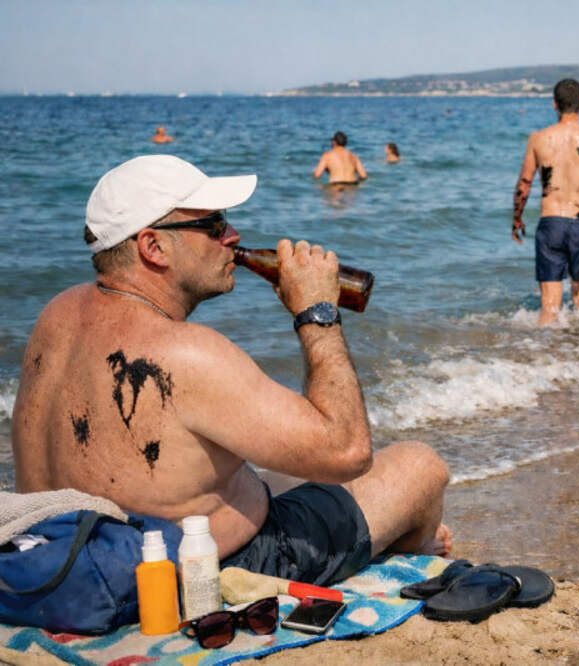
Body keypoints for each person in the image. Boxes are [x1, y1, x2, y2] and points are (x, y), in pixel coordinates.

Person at [12, 155, 450, 586]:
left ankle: (392, 534)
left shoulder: (58, 314)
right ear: (153, 246)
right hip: (201, 571)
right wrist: (317, 313)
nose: (234, 236)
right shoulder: (187, 353)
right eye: (214, 225)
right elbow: (348, 451)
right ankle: (413, 544)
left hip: (63, 557)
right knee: (420, 466)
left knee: (293, 469)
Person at [512, 78, 579, 326]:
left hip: (551, 223)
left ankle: (540, 350)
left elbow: (524, 184)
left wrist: (517, 218)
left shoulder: (538, 139)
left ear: (554, 104)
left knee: (549, 307)